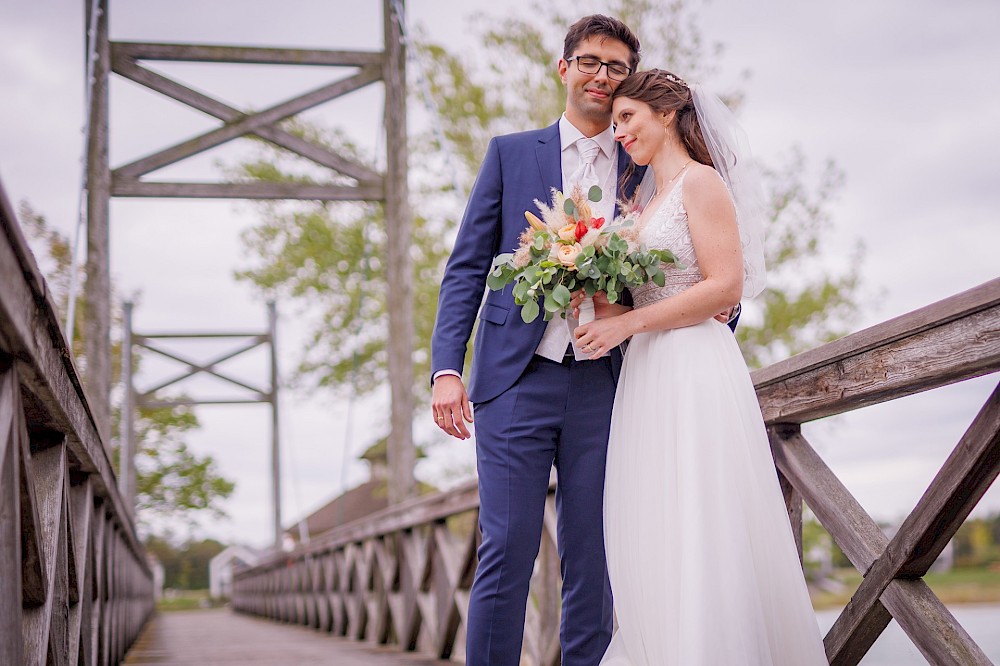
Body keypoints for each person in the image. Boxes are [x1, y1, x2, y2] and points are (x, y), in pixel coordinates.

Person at [572, 69, 828, 665]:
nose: (621, 133)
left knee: (700, 515)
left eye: (628, 118)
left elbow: (725, 287)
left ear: (665, 114)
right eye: (615, 124)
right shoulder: (642, 205)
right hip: (647, 375)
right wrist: (588, 281)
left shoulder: (701, 184)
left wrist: (625, 325)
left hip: (692, 368)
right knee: (655, 519)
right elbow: (633, 302)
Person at [429, 15, 645, 666]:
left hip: (606, 385)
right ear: (564, 69)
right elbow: (467, 266)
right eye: (590, 62)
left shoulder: (645, 163)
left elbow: (681, 254)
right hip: (513, 379)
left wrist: (724, 315)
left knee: (593, 550)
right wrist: (445, 368)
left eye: (616, 68)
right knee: (507, 543)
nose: (602, 76)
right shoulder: (510, 153)